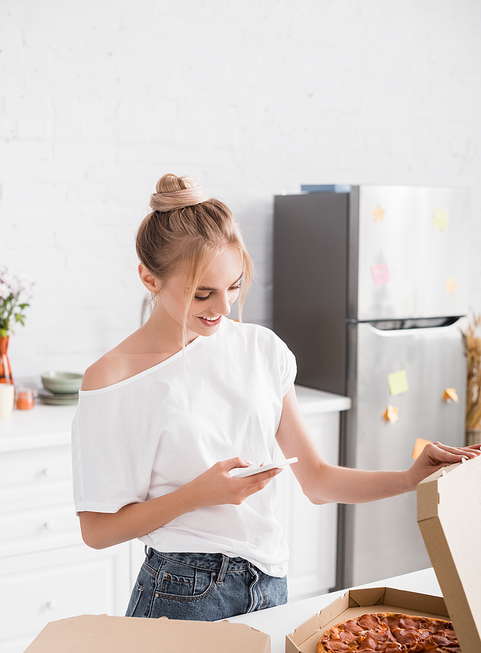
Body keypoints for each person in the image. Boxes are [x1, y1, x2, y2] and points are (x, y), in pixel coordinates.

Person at [72, 173, 480, 622]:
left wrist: (410, 478)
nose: (223, 308)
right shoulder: (113, 378)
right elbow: (96, 530)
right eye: (202, 293)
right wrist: (198, 495)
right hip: (182, 590)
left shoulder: (261, 350)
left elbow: (319, 480)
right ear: (149, 279)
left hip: (271, 583)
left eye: (233, 286)